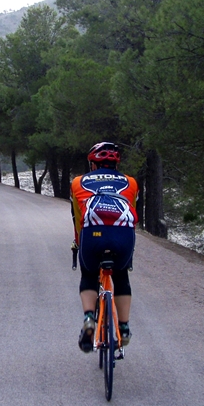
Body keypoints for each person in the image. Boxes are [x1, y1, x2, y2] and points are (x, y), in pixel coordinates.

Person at [70, 142, 139, 353]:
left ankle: (89, 318)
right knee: (121, 276)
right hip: (123, 236)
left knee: (89, 274)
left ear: (93, 164)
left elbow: (78, 219)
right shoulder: (131, 182)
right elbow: (132, 216)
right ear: (116, 164)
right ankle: (124, 329)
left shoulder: (78, 182)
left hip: (93, 235)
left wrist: (78, 243)